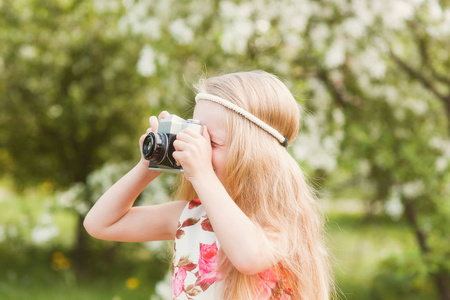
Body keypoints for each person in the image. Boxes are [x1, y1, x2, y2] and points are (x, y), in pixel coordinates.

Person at [84, 70, 333, 300]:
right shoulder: (191, 217)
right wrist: (148, 166)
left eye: (211, 142)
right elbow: (100, 224)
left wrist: (203, 174)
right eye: (195, 134)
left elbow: (247, 257)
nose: (197, 148)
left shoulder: (279, 224)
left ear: (254, 154)